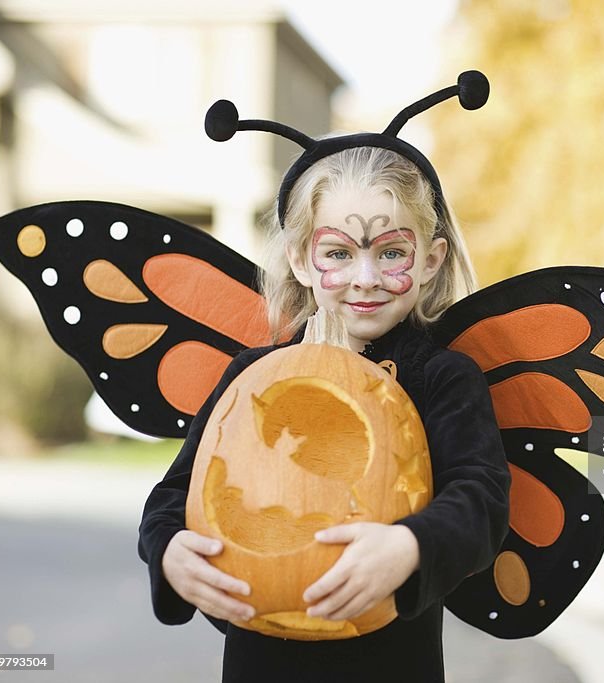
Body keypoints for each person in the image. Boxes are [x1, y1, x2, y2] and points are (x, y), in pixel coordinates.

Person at [138, 76, 511, 683]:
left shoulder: (443, 378)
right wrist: (169, 552)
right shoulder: (250, 378)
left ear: (431, 259)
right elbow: (174, 495)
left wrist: (412, 544)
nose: (365, 276)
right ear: (301, 260)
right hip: (261, 664)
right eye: (338, 253)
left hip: (392, 665)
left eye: (391, 252)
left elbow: (483, 501)